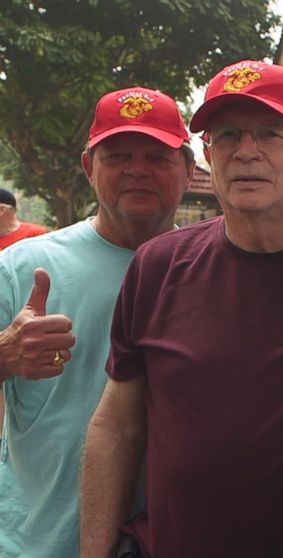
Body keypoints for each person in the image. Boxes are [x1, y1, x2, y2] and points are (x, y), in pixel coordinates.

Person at [80, 61, 283, 558]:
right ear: (209, 157)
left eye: (270, 133)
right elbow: (118, 424)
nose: (245, 151)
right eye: (227, 134)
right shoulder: (159, 266)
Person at [0, 86, 193, 558]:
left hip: (166, 539)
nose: (137, 169)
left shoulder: (210, 270)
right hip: (39, 539)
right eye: (118, 154)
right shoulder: (22, 267)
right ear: (89, 168)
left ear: (190, 171)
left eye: (157, 156)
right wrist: (5, 353)